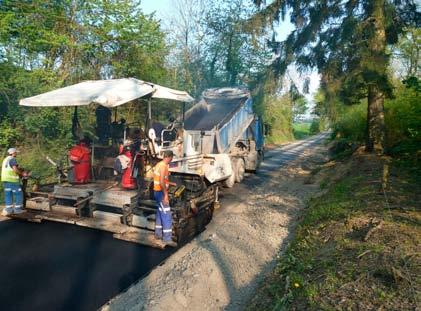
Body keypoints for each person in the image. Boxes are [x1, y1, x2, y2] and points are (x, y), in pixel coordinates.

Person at [153, 150, 176, 244]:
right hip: (160, 193)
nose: (172, 159)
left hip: (156, 192)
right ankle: (167, 239)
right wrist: (166, 195)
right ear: (170, 157)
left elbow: (160, 179)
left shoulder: (159, 164)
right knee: (166, 214)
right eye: (172, 158)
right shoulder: (163, 166)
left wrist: (170, 183)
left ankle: (158, 234)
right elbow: (161, 182)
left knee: (159, 212)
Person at [1, 148, 28, 216]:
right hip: (12, 180)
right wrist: (22, 174)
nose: (16, 153)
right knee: (19, 194)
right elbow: (15, 169)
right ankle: (17, 210)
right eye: (16, 152)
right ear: (13, 153)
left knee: (8, 194)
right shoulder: (12, 159)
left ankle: (9, 210)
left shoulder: (5, 159)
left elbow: (8, 168)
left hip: (5, 180)